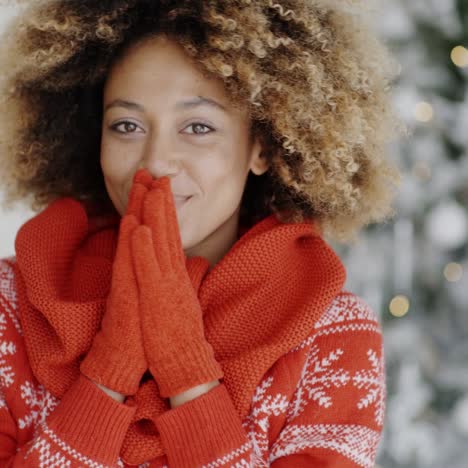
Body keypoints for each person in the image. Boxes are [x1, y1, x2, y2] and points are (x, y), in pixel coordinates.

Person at [0, 0, 405, 466]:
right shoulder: (12, 305)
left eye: (197, 126)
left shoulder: (329, 334)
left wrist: (187, 372)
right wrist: (107, 375)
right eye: (126, 125)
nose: (155, 163)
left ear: (262, 147)